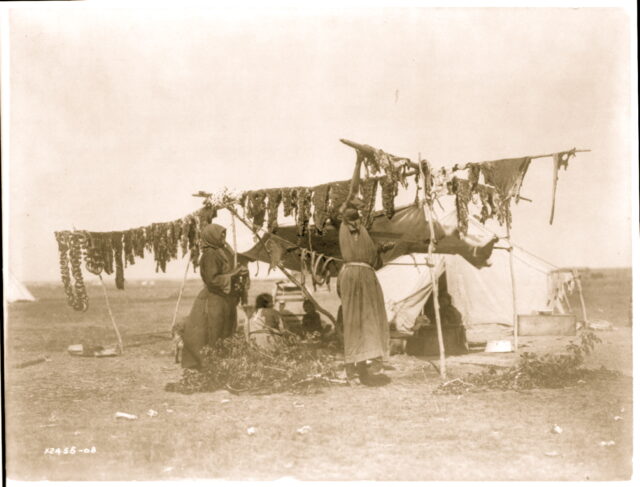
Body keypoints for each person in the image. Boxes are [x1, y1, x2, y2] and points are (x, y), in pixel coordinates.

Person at [337, 200, 393, 383]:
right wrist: (358, 170)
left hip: (368, 277)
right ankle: (350, 369)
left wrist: (380, 249)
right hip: (353, 276)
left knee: (369, 320)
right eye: (355, 216)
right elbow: (348, 212)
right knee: (354, 321)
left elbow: (374, 263)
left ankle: (363, 367)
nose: (357, 220)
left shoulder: (365, 236)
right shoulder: (345, 227)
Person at [181, 223, 249, 369]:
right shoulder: (210, 254)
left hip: (226, 297)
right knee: (215, 330)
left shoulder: (222, 251)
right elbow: (212, 280)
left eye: (224, 234)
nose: (223, 237)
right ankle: (211, 364)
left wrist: (239, 273)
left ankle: (223, 362)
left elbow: (229, 271)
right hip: (214, 298)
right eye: (220, 234)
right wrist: (234, 274)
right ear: (211, 236)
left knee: (227, 328)